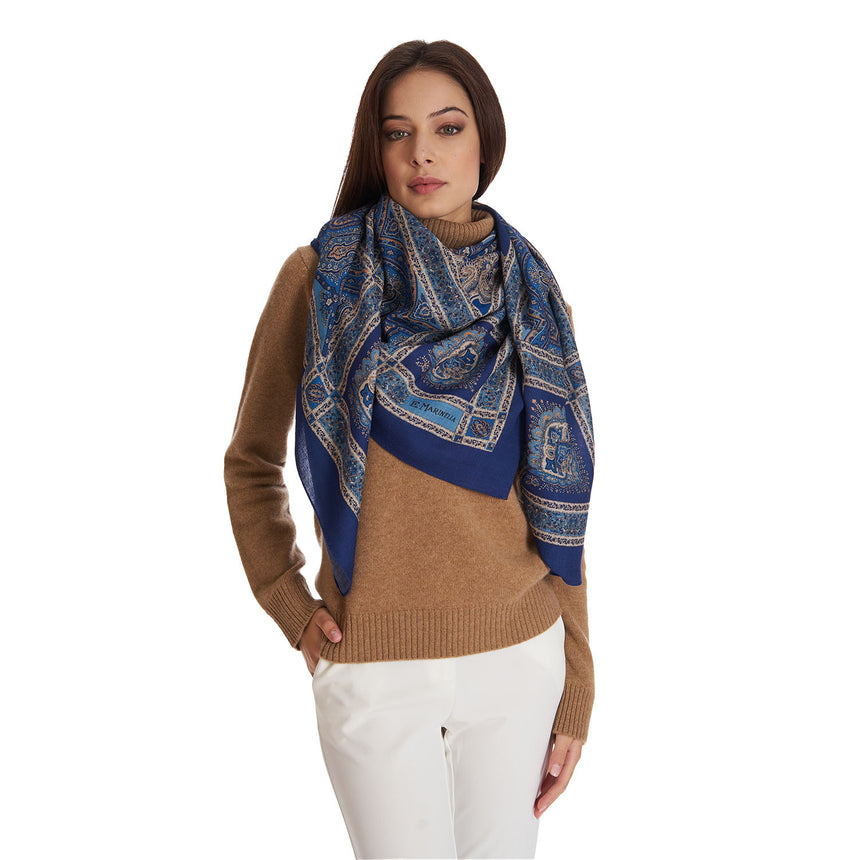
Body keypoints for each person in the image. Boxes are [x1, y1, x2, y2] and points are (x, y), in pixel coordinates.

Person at [224, 39, 596, 860]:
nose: (423, 152)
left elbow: (559, 502)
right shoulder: (320, 279)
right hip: (374, 667)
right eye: (398, 133)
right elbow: (249, 460)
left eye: (447, 128)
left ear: (484, 142)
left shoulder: (531, 294)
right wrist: (289, 604)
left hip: (520, 659)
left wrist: (578, 679)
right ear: (377, 149)